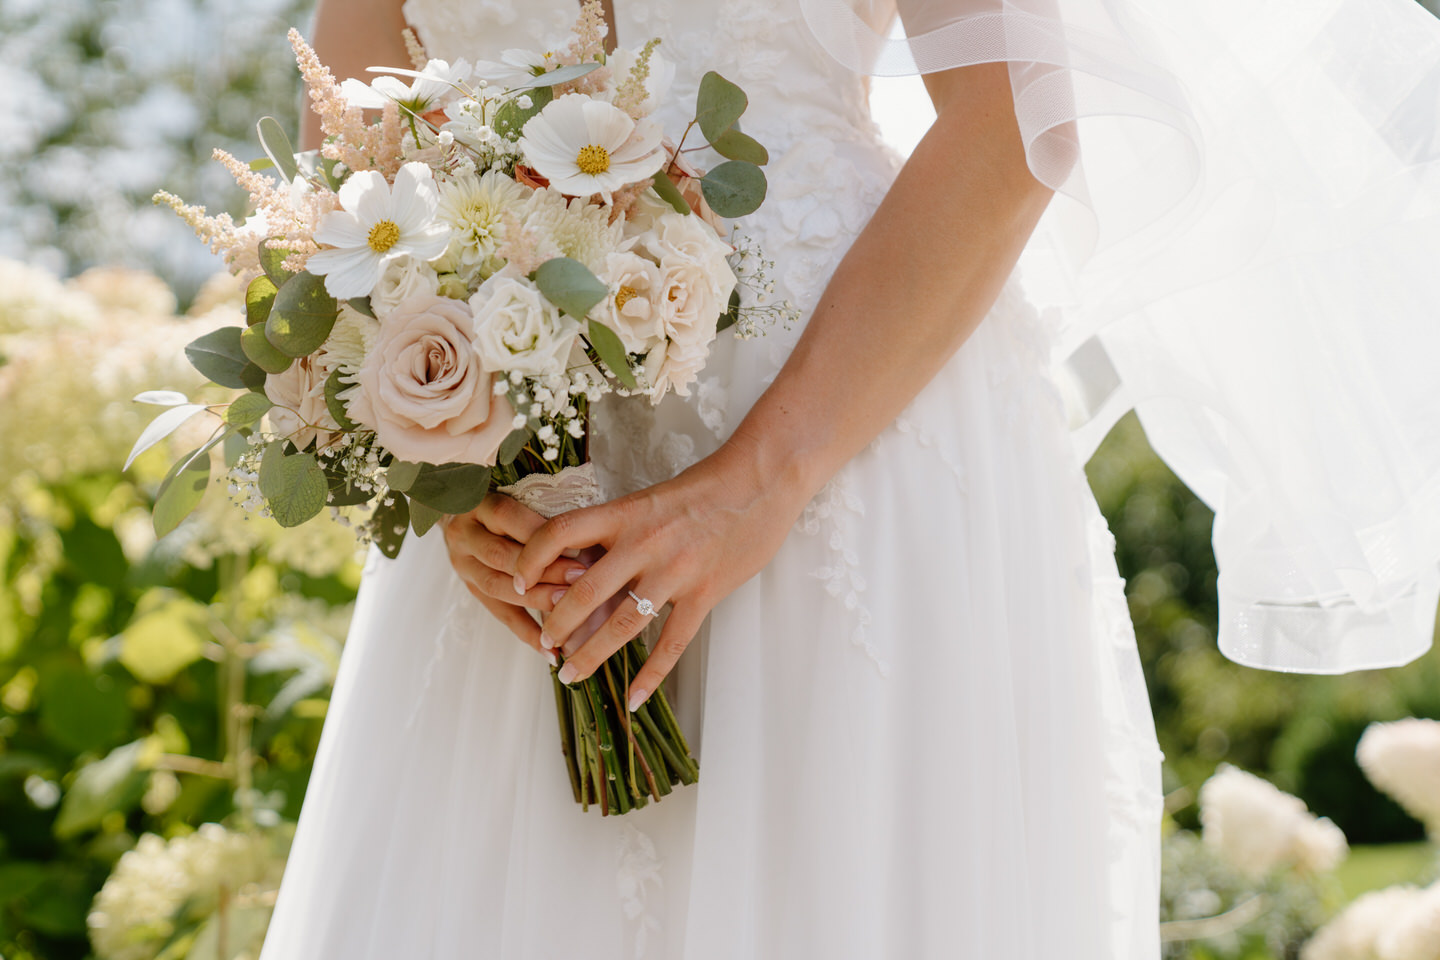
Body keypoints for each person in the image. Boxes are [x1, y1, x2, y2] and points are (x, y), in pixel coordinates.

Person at [261, 1, 1440, 958]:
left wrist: (757, 482)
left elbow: (1016, 118)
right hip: (518, 510)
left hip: (843, 440)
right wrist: (452, 483)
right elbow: (347, 163)